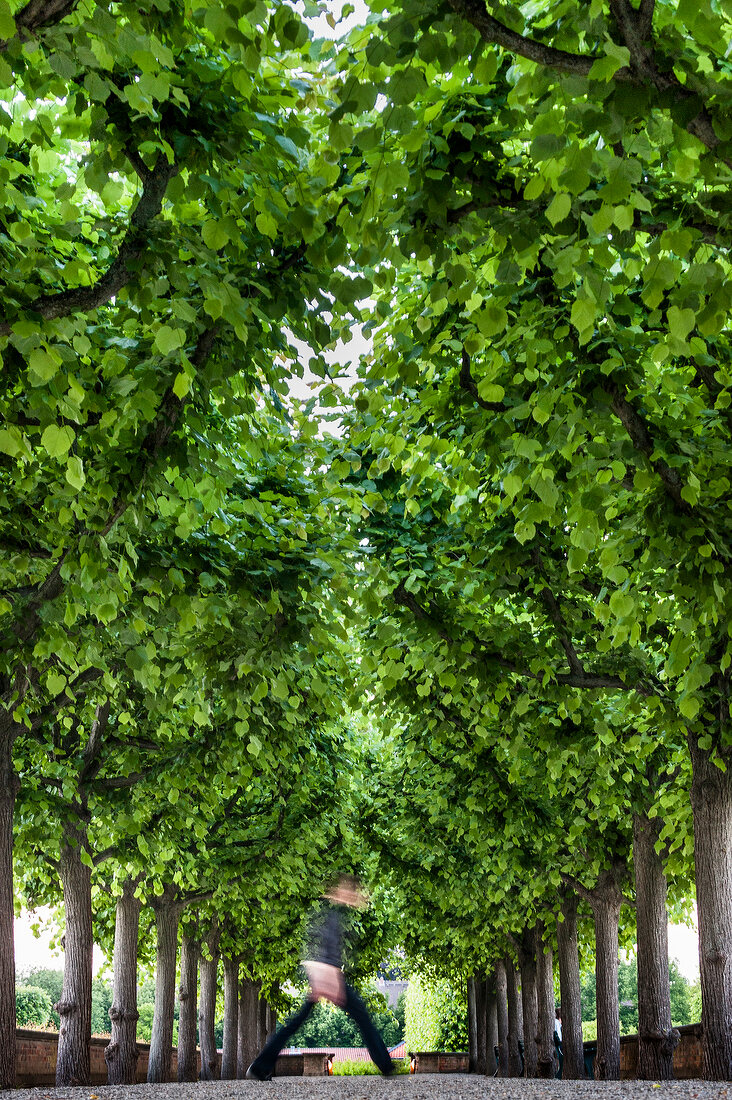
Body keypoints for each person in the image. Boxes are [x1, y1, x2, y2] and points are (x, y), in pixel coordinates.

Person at [246, 874, 394, 1080]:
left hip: (324, 973)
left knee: (296, 1023)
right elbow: (326, 944)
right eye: (354, 893)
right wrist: (328, 979)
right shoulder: (332, 912)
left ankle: (260, 1066)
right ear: (344, 891)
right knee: (362, 1017)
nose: (356, 898)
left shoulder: (330, 910)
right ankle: (386, 1065)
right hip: (327, 974)